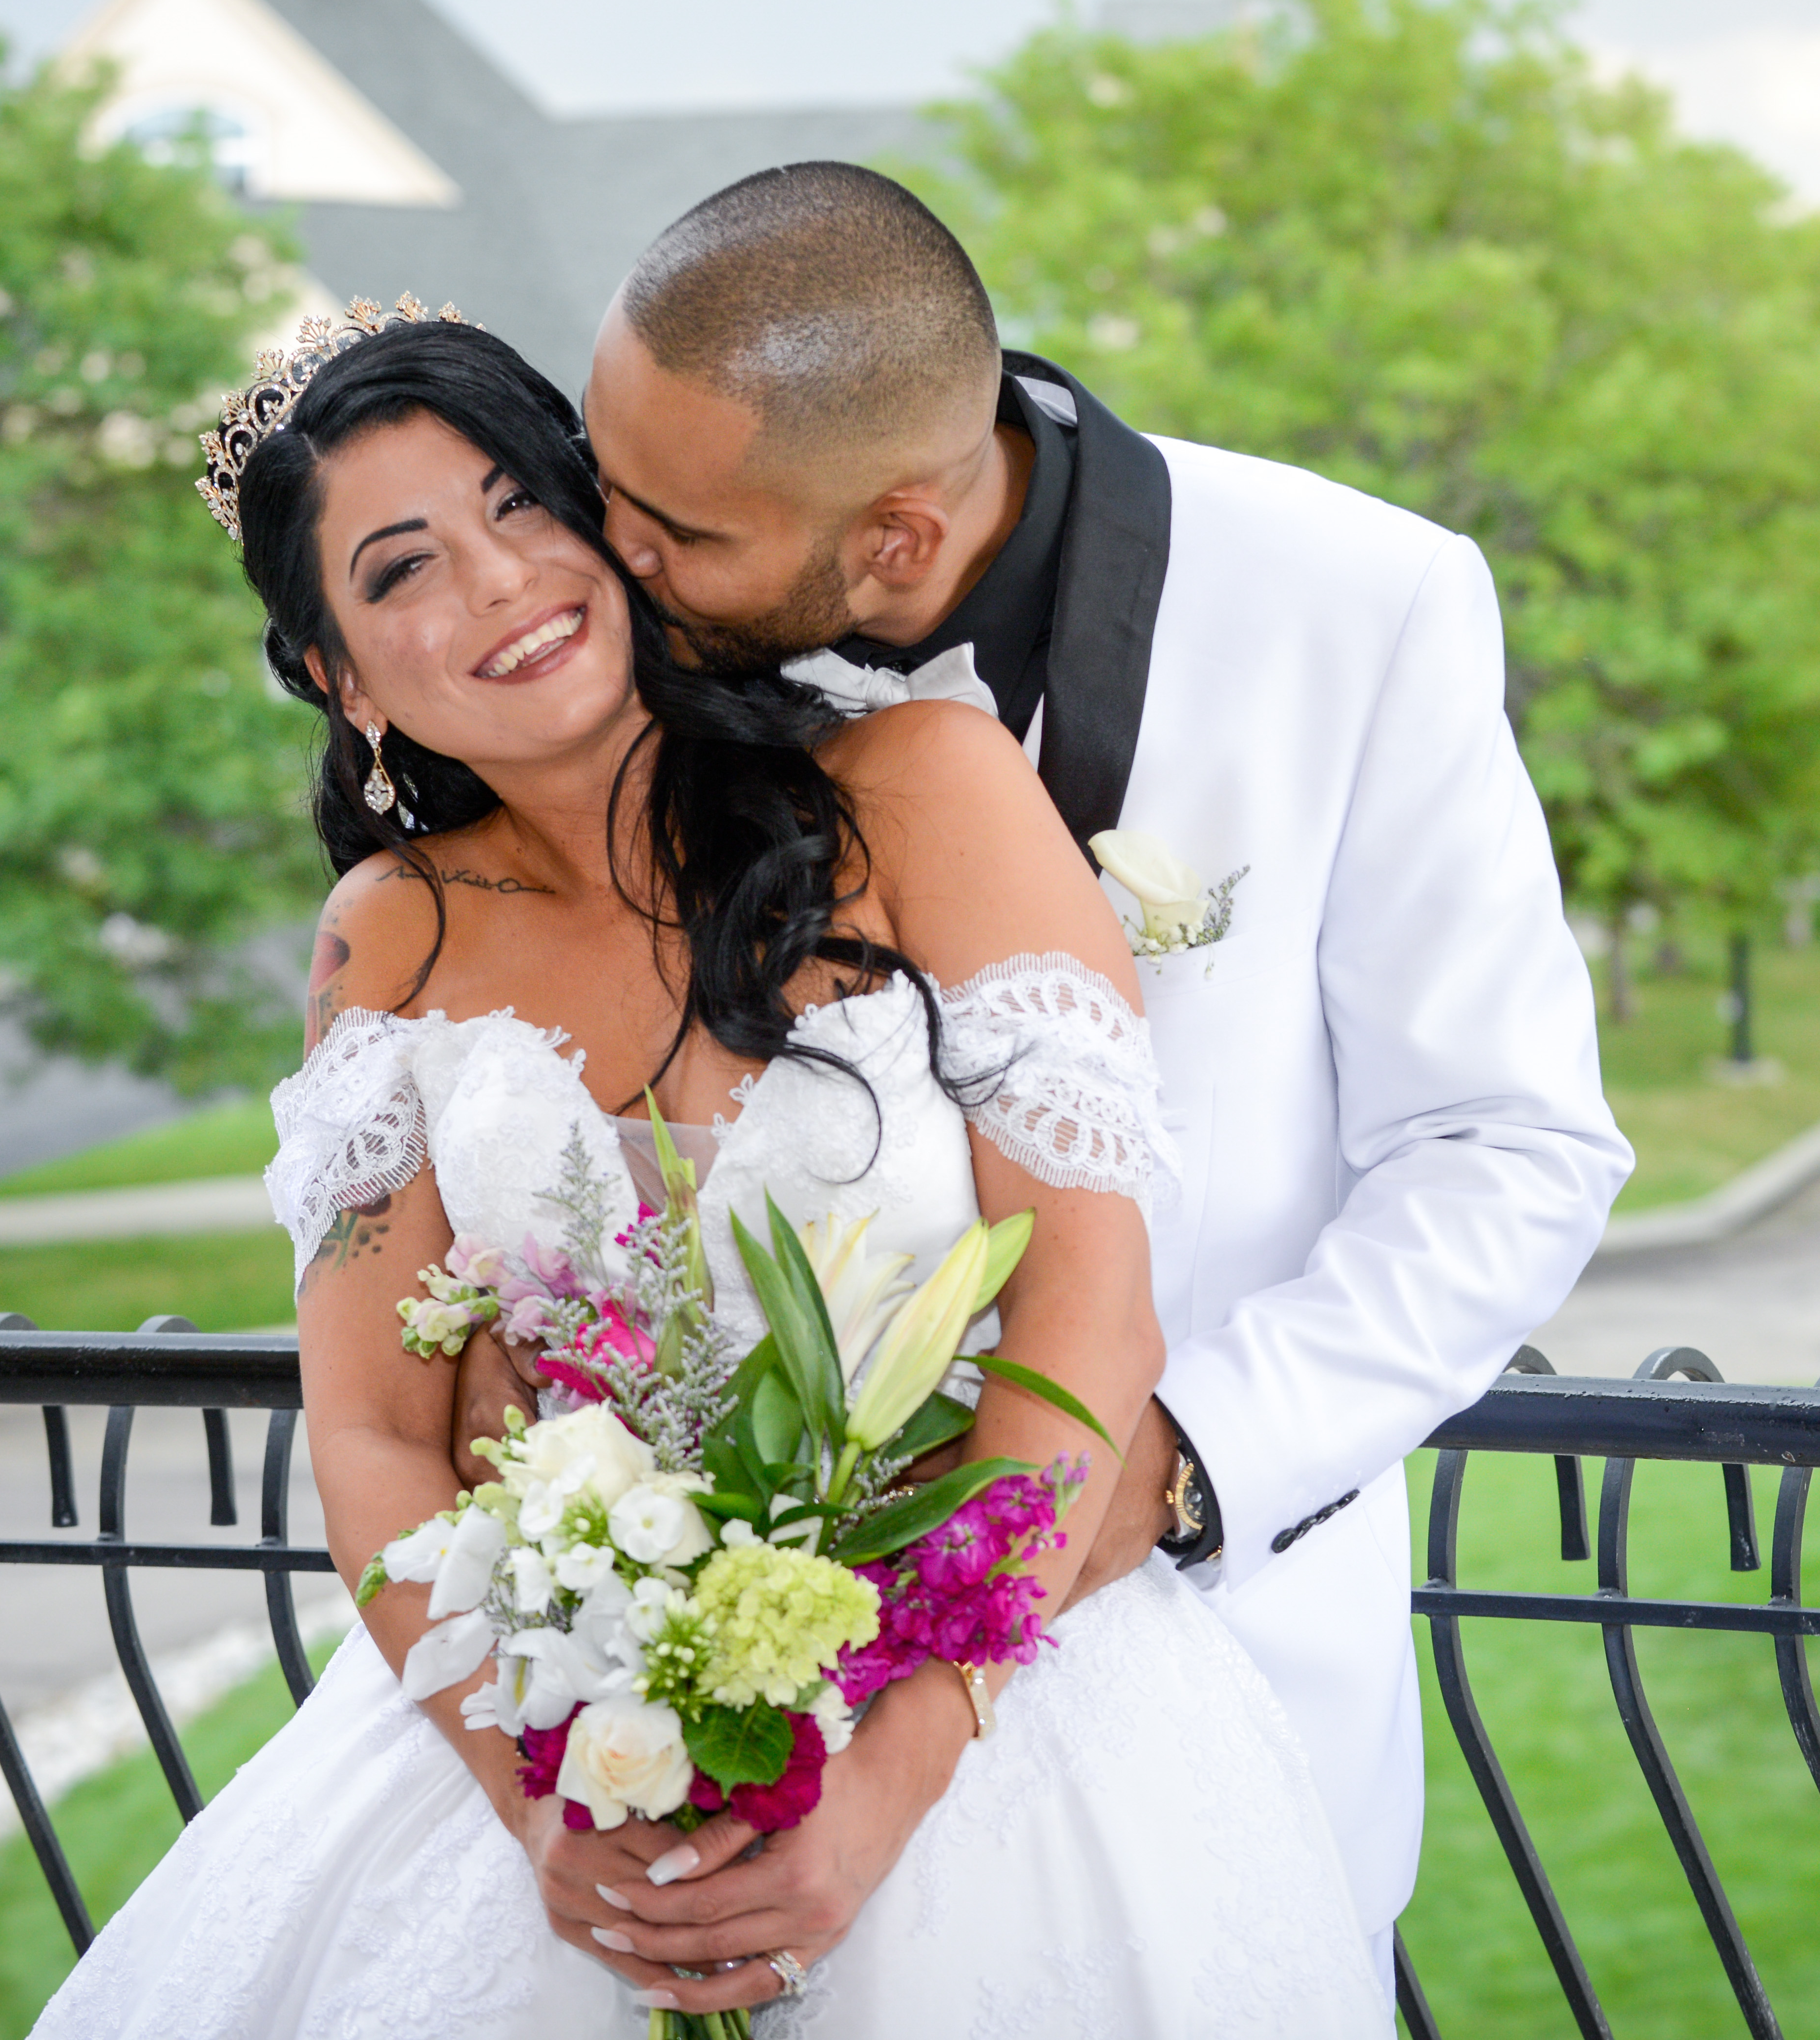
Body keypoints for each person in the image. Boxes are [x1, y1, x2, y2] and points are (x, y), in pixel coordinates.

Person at [35, 308, 1388, 2035]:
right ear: (340, 679)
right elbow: (378, 1430)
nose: (506, 582)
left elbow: (1089, 1311)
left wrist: (894, 1778)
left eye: (522, 502)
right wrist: (541, 1788)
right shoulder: (388, 939)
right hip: (567, 1755)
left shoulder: (919, 788)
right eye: (404, 571)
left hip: (1005, 1713)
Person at [453, 163, 1631, 1991]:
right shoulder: (653, 643)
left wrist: (1179, 1463)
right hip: (711, 1731)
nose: (605, 555)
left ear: (900, 543)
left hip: (1199, 1708)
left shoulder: (1363, 602)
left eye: (668, 525)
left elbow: (1511, 1148)